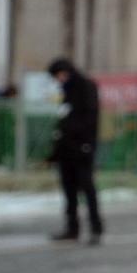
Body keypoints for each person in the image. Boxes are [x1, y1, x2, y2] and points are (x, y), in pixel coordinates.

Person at [46, 58, 104, 245]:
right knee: (69, 190)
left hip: (81, 149)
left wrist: (86, 144)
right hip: (67, 151)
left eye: (59, 76)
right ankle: (72, 228)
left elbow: (89, 119)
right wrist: (55, 153)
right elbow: (63, 122)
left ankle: (96, 228)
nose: (58, 80)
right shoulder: (67, 91)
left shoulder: (85, 87)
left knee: (87, 189)